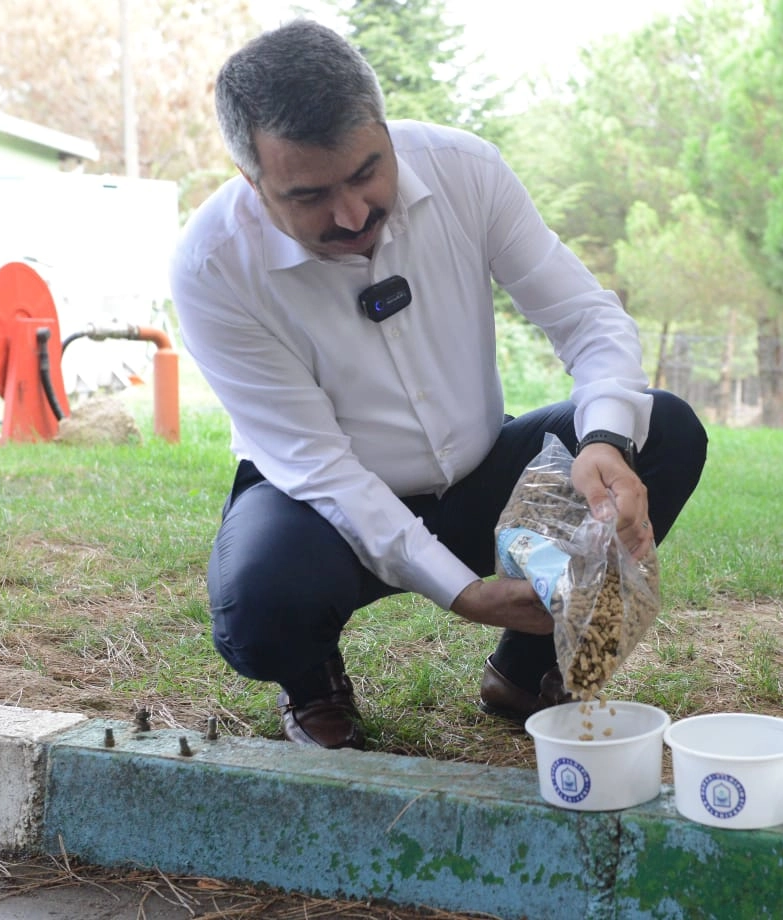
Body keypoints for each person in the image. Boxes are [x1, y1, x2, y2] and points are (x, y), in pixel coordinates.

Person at [170, 18, 708, 750]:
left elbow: (587, 318)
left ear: (385, 129)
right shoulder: (211, 266)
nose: (352, 214)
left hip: (481, 474)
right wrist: (462, 593)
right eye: (311, 195)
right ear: (253, 182)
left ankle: (533, 666)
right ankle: (312, 683)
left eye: (366, 172)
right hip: (323, 509)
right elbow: (320, 467)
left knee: (664, 429)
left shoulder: (466, 170)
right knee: (260, 604)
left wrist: (605, 441)